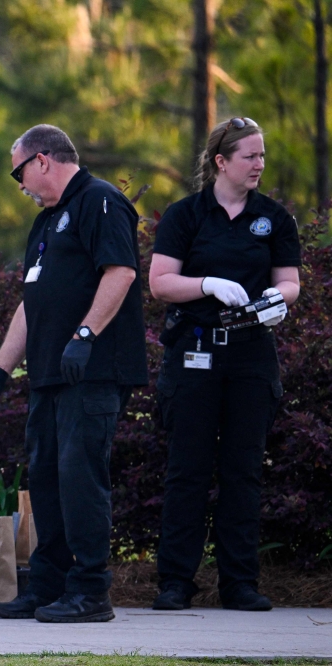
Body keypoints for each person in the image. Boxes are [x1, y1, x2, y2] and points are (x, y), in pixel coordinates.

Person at [0, 125, 148, 623]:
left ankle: (90, 592)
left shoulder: (99, 201)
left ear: (42, 161)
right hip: (48, 374)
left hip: (91, 370)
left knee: (79, 476)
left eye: (18, 171)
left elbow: (122, 272)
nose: (18, 183)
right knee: (45, 477)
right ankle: (48, 586)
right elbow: (33, 300)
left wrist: (84, 337)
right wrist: (0, 369)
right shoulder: (47, 221)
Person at [149, 118, 300, 612]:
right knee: (187, 469)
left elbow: (290, 281)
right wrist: (207, 283)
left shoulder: (273, 218)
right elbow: (161, 282)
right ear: (221, 161)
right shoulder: (186, 215)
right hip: (196, 351)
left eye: (262, 156)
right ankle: (175, 582)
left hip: (251, 354)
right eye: (250, 156)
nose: (260, 164)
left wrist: (279, 298)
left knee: (243, 470)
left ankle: (239, 583)